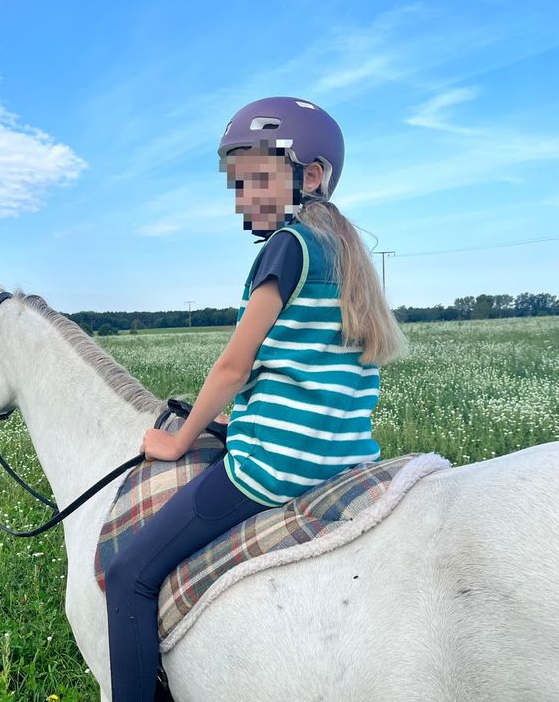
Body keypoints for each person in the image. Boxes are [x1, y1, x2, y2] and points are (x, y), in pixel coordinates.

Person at [103, 96, 408, 701]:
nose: (243, 198)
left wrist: (179, 438)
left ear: (311, 176)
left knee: (127, 575)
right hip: (343, 460)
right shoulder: (348, 256)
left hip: (273, 468)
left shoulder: (287, 247)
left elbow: (234, 365)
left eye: (256, 178)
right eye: (237, 183)